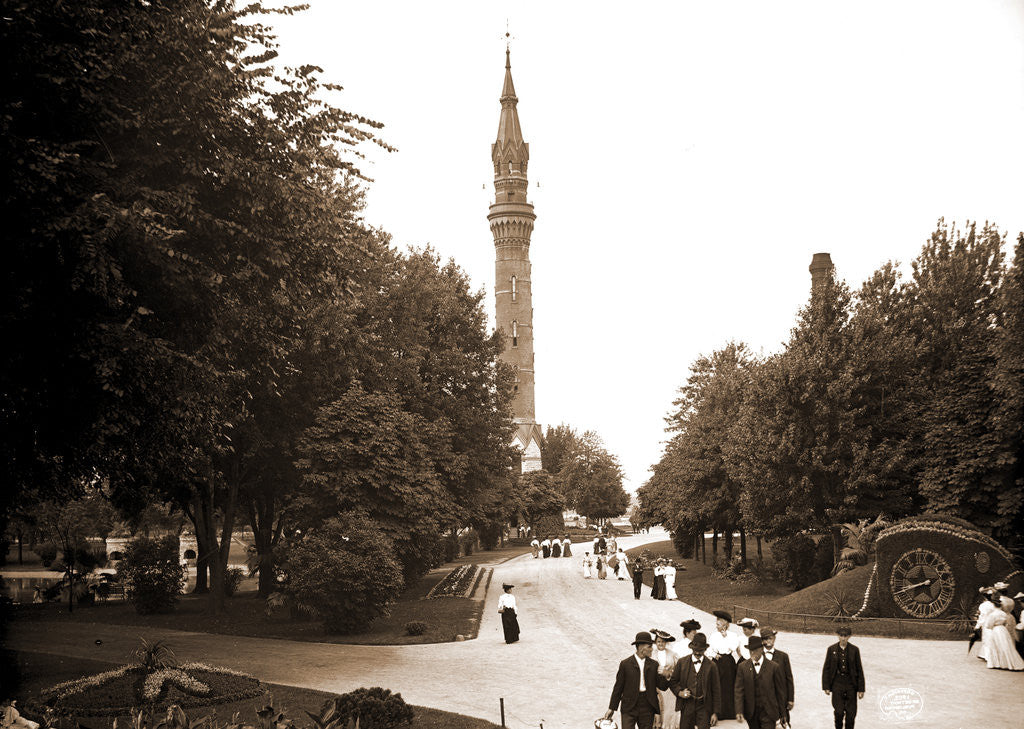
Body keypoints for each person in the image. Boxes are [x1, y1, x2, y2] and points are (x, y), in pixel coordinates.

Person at [603, 631, 669, 729]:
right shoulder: (625, 664)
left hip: (647, 706)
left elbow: (663, 687)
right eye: (649, 646)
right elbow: (618, 687)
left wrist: (665, 674)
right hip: (629, 707)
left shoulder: (654, 665)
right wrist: (611, 708)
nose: (652, 649)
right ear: (641, 648)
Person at [669, 631, 719, 729]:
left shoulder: (712, 666)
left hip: (704, 706)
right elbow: (673, 682)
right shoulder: (682, 662)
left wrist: (715, 713)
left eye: (700, 650)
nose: (697, 652)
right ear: (691, 648)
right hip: (687, 705)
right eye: (695, 649)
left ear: (705, 649)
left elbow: (716, 690)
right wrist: (680, 693)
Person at [734, 635, 787, 729]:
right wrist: (739, 710)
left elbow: (780, 692)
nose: (752, 653)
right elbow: (739, 691)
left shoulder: (774, 667)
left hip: (769, 712)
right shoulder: (742, 667)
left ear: (762, 649)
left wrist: (783, 713)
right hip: (751, 713)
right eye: (750, 650)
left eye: (755, 650)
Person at [821, 626, 865, 729]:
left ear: (849, 636)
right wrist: (826, 686)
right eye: (841, 636)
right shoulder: (831, 649)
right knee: (839, 712)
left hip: (851, 684)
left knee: (851, 714)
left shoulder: (854, 650)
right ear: (838, 636)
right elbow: (826, 668)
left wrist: (861, 689)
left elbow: (859, 669)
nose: (843, 638)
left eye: (846, 636)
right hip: (837, 683)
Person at [707, 610, 741, 720]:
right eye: (716, 622)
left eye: (719, 622)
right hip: (717, 661)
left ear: (725, 624)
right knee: (717, 685)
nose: (717, 624)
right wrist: (714, 654)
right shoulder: (713, 635)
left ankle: (729, 712)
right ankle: (717, 712)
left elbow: (733, 647)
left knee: (729, 685)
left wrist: (725, 637)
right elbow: (708, 649)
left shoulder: (733, 635)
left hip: (728, 662)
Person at [760, 627, 794, 723]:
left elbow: (789, 678)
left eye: (770, 638)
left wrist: (790, 699)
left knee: (784, 722)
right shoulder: (759, 656)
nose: (768, 641)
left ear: (774, 639)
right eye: (765, 639)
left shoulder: (783, 656)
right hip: (764, 699)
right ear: (762, 641)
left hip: (781, 697)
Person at [982, 596, 1024, 670]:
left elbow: (988, 625)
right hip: (1003, 630)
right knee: (1006, 646)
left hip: (995, 630)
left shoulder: (992, 614)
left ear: (994, 605)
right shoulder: (1004, 614)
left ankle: (997, 663)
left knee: (996, 646)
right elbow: (1006, 623)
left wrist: (993, 626)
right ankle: (1007, 663)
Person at [651, 629, 681, 729]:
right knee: (657, 709)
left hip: (669, 687)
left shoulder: (673, 654)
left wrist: (668, 673)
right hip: (655, 686)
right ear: (655, 642)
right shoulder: (651, 654)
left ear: (666, 643)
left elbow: (678, 672)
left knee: (669, 709)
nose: (661, 644)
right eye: (659, 641)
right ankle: (657, 725)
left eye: (663, 642)